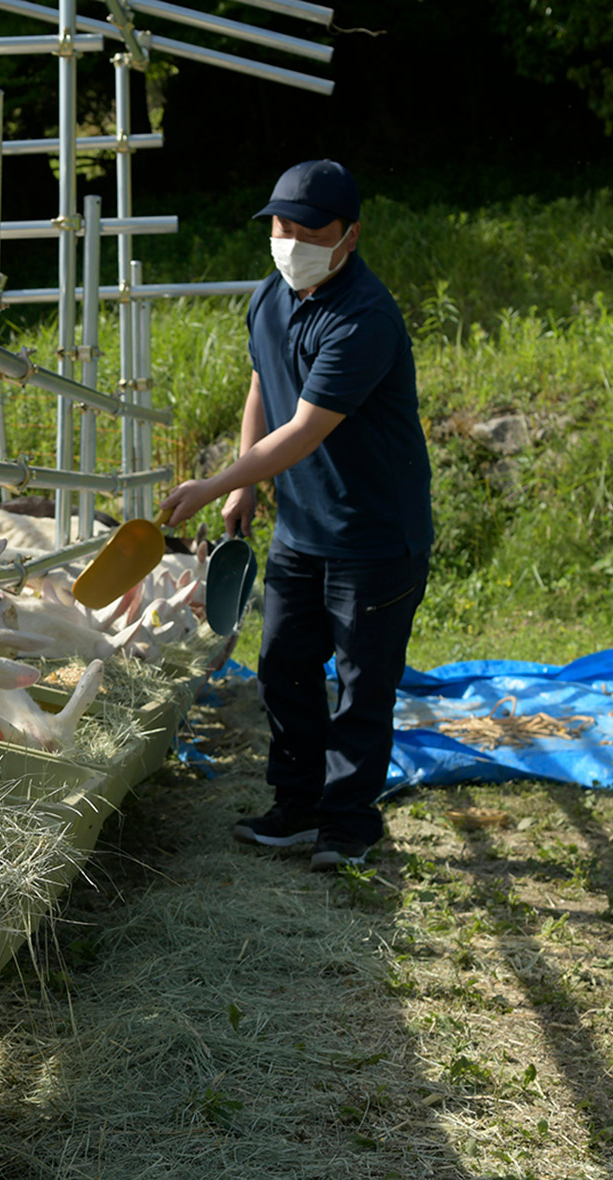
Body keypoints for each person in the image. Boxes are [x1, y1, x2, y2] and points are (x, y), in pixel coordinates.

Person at [159, 158, 432, 871]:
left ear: (349, 236)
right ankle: (296, 805)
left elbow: (306, 429)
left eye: (310, 229)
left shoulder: (364, 318)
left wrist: (217, 481)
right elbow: (263, 385)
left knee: (362, 683)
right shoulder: (269, 297)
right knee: (282, 664)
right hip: (303, 531)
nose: (292, 239)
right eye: (282, 225)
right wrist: (247, 486)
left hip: (374, 537)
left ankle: (349, 824)